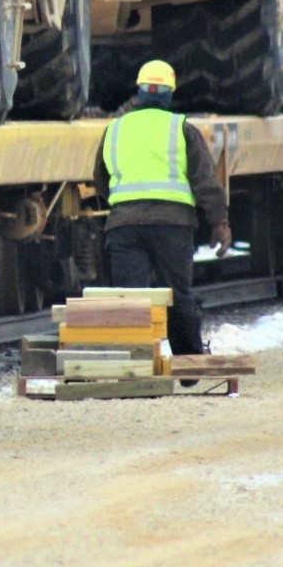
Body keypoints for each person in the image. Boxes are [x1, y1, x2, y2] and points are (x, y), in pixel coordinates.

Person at [93, 60, 233, 355]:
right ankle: (189, 361)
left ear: (140, 92)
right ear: (169, 94)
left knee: (132, 300)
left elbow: (101, 181)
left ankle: (138, 363)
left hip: (125, 227)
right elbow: (204, 181)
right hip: (173, 228)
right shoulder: (182, 129)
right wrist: (219, 222)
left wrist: (124, 208)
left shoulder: (114, 130)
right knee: (177, 296)